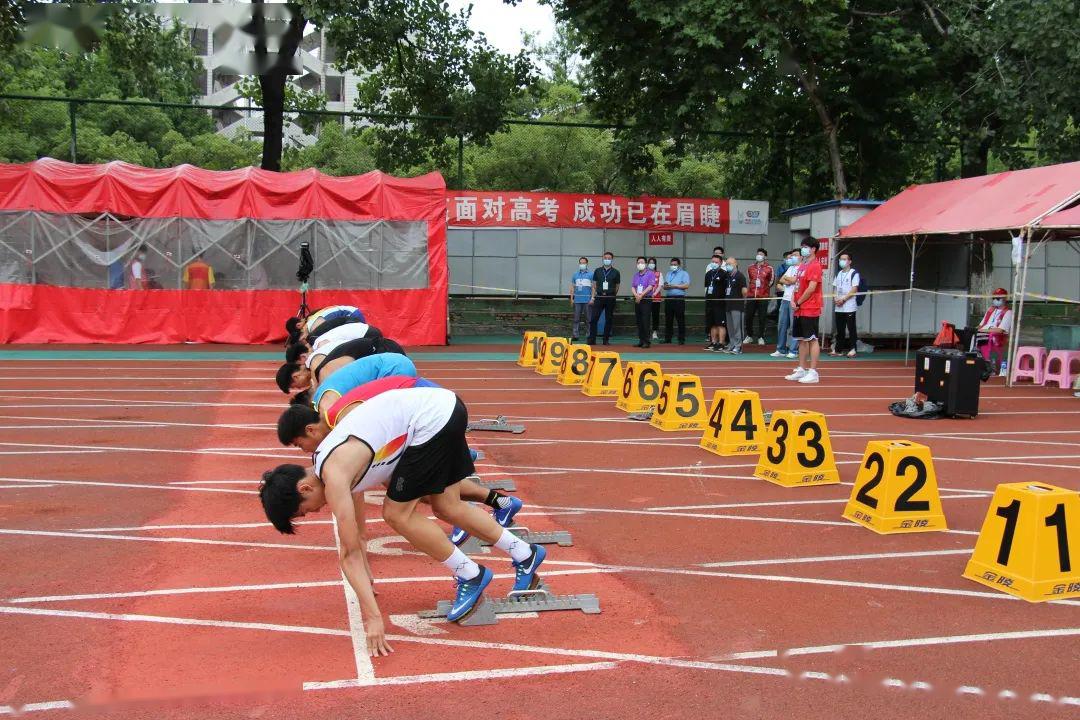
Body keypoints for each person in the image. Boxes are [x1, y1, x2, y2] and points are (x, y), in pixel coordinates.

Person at [260, 386, 548, 653]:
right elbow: (392, 477)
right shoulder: (334, 464)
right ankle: (525, 553)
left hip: (430, 421)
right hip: (444, 409)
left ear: (305, 488)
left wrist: (373, 617)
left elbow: (349, 553)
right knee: (446, 505)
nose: (315, 512)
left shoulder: (333, 475)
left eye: (306, 509)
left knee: (396, 514)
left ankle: (470, 574)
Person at [786, 238, 824, 384]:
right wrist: (792, 300)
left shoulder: (815, 266)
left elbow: (811, 288)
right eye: (802, 247)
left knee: (812, 338)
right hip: (799, 308)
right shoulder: (802, 265)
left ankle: (813, 372)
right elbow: (796, 285)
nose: (803, 249)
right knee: (801, 339)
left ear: (813, 249)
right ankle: (802, 368)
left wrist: (799, 301)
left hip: (810, 307)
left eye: (806, 247)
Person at [771, 250, 801, 359]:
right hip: (785, 299)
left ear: (801, 257)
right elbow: (782, 280)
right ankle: (781, 349)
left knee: (793, 326)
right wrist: (789, 280)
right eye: (791, 256)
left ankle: (793, 350)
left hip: (794, 300)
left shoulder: (802, 268)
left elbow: (794, 280)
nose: (792, 257)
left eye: (795, 255)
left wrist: (789, 280)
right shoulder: (790, 268)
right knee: (782, 325)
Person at [830, 252, 861, 358]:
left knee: (851, 328)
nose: (841, 261)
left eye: (844, 259)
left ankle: (853, 349)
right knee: (840, 329)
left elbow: (854, 289)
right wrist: (835, 299)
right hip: (838, 306)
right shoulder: (838, 273)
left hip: (849, 305)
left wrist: (843, 299)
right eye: (840, 259)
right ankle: (838, 349)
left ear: (850, 261)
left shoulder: (854, 273)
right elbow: (835, 288)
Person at [975, 288, 1013, 371]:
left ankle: (987, 363)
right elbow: (980, 325)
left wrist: (981, 331)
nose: (995, 300)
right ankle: (974, 361)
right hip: (983, 332)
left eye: (998, 298)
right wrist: (973, 330)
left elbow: (1000, 330)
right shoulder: (990, 310)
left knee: (984, 336)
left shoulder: (1008, 312)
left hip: (997, 337)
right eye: (994, 298)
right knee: (970, 334)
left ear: (1004, 299)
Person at [587, 251, 620, 346]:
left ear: (612, 260)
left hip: (610, 297)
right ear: (603, 258)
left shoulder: (616, 272)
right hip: (599, 296)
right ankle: (592, 339)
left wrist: (612, 293)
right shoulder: (597, 271)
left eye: (609, 258)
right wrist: (593, 297)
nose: (607, 260)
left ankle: (606, 340)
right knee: (594, 318)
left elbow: (617, 286)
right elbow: (594, 285)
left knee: (609, 319)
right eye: (605, 258)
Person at [744, 248, 774, 345]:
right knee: (748, 316)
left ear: (765, 256)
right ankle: (749, 335)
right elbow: (749, 280)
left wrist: (763, 290)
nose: (759, 256)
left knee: (762, 317)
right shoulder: (750, 267)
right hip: (751, 296)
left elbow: (771, 281)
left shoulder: (769, 268)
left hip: (763, 296)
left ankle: (761, 336)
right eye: (758, 254)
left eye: (761, 254)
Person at [720, 256, 748, 355]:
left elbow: (744, 291)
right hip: (728, 305)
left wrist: (743, 302)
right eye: (726, 264)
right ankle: (732, 344)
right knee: (730, 327)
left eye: (730, 264)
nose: (728, 266)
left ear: (735, 264)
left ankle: (738, 346)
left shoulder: (740, 276)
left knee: (737, 327)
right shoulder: (728, 276)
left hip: (737, 306)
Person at [631, 256, 658, 348]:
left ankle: (647, 341)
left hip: (646, 299)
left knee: (645, 320)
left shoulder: (650, 274)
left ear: (646, 264)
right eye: (638, 262)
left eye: (642, 262)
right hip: (637, 299)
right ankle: (641, 340)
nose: (640, 264)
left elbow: (651, 286)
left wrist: (641, 295)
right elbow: (633, 287)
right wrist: (636, 295)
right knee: (639, 321)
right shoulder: (636, 275)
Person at [662, 257, 690, 345]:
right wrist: (665, 286)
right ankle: (668, 338)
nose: (673, 266)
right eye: (671, 264)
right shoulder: (668, 273)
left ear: (679, 265)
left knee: (680, 319)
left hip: (679, 298)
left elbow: (686, 285)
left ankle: (681, 339)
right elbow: (665, 285)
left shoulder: (684, 273)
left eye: (675, 265)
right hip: (669, 298)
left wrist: (674, 286)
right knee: (668, 319)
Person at [703, 254, 726, 352]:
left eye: (716, 262)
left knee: (720, 324)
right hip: (709, 302)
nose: (714, 264)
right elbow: (706, 287)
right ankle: (714, 342)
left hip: (720, 303)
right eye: (713, 262)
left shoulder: (724, 274)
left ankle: (721, 343)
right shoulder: (708, 274)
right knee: (711, 324)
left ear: (721, 263)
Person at [570, 257, 592, 342]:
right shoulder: (575, 274)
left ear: (587, 264)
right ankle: (575, 335)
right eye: (580, 263)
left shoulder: (591, 274)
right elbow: (572, 287)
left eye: (584, 263)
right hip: (577, 300)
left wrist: (592, 298)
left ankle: (589, 335)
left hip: (587, 300)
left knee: (588, 319)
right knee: (576, 319)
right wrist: (571, 298)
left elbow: (594, 287)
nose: (582, 264)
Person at [647, 257, 662, 341]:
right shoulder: (645, 273)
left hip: (656, 298)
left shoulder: (659, 273)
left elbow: (660, 285)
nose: (651, 264)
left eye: (653, 263)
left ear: (655, 264)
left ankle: (654, 332)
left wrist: (654, 294)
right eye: (650, 262)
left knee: (655, 315)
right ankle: (646, 332)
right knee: (646, 315)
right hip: (646, 298)